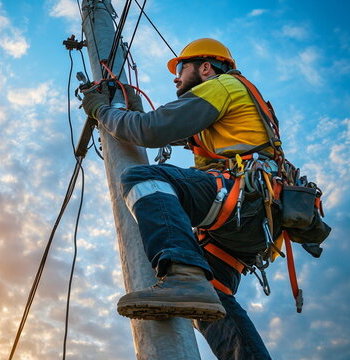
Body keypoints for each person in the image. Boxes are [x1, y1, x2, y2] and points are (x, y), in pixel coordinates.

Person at [81, 38, 274, 359]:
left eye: (181, 68)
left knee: (145, 177)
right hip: (255, 217)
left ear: (205, 67)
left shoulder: (223, 85)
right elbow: (165, 126)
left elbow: (150, 130)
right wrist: (134, 113)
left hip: (243, 197)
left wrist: (102, 110)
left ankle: (182, 275)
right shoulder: (235, 100)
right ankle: (191, 284)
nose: (175, 76)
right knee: (209, 299)